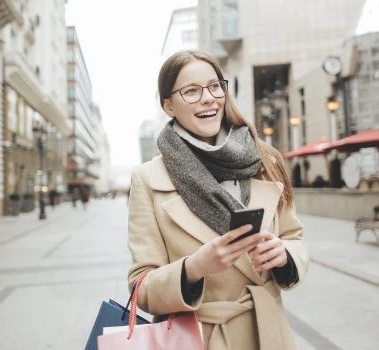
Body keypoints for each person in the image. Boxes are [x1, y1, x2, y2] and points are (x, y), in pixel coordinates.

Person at [127, 50, 309, 350]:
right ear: (168, 105)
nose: (209, 98)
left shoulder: (266, 159)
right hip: (199, 339)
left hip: (268, 334)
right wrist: (194, 267)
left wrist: (284, 254)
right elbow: (141, 287)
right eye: (191, 91)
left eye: (215, 86)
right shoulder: (148, 179)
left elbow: (294, 237)